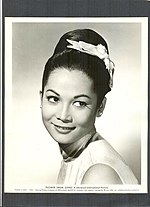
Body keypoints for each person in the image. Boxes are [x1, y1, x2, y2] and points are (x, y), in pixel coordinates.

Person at [40, 29, 138, 185]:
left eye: (79, 103)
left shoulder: (98, 174)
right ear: (41, 97)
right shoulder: (76, 156)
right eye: (53, 98)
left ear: (100, 107)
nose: (63, 116)